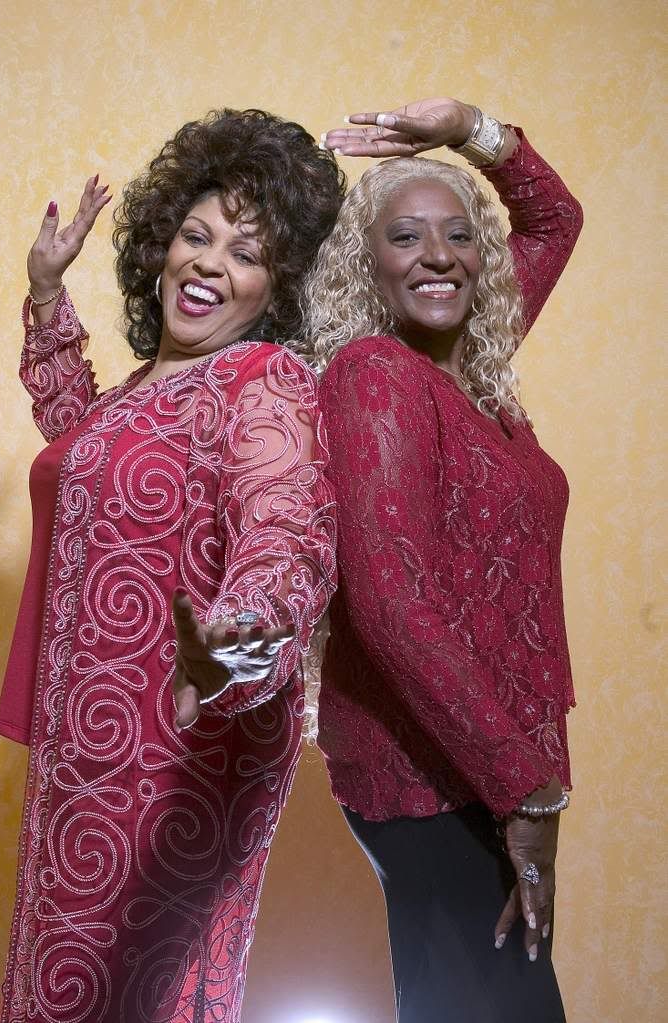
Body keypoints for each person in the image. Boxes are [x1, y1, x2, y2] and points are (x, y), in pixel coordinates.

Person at [0, 108, 344, 1023]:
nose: (209, 263)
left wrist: (241, 636)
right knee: (65, 986)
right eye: (196, 234)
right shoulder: (142, 393)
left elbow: (286, 532)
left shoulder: (263, 381)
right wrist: (46, 296)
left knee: (124, 995)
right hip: (85, 739)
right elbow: (82, 455)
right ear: (160, 247)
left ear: (278, 286)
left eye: (246, 251)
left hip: (173, 746)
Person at [301, 97, 583, 1022]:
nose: (438, 255)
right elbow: (391, 604)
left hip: (493, 766)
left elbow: (554, 219)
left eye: (459, 234)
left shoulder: (473, 363)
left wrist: (467, 127)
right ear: (367, 264)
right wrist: (524, 791)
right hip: (433, 774)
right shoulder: (375, 375)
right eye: (405, 236)